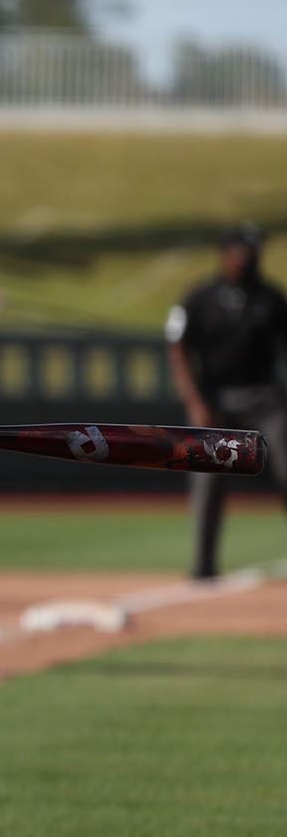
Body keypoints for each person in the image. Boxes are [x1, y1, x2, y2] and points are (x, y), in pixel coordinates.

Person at [165, 224, 287, 580]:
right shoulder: (201, 297)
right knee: (207, 475)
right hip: (217, 399)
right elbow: (178, 347)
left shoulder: (271, 297)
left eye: (253, 252)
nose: (248, 259)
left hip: (265, 399)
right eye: (242, 251)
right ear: (226, 254)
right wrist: (195, 400)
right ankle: (203, 563)